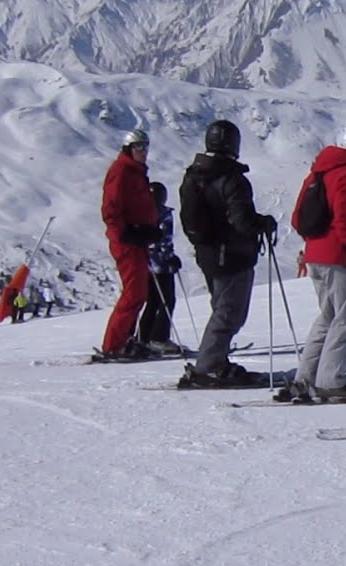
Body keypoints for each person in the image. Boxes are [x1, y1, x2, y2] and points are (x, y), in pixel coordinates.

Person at [284, 124, 346, 403]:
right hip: (340, 256)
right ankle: (331, 380)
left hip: (314, 254)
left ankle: (307, 377)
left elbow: (297, 217)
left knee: (328, 317)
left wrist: (314, 244)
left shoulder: (318, 171)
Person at [177, 119, 278, 387]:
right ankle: (208, 366)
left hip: (207, 253)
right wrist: (262, 223)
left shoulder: (193, 176)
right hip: (232, 254)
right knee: (229, 312)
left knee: (221, 307)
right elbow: (241, 221)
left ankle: (215, 362)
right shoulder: (230, 179)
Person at [98, 128, 162, 359]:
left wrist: (149, 230)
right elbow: (111, 208)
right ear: (128, 149)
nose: (144, 151)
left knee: (140, 293)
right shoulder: (122, 172)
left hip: (138, 239)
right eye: (139, 147)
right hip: (127, 242)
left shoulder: (135, 172)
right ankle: (113, 345)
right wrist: (124, 233)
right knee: (134, 293)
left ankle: (126, 340)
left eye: (146, 146)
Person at [137, 181, 185, 354]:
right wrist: (170, 258)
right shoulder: (162, 213)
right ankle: (159, 338)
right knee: (167, 300)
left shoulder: (143, 213)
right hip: (161, 265)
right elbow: (163, 240)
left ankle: (143, 337)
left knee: (153, 302)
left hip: (147, 264)